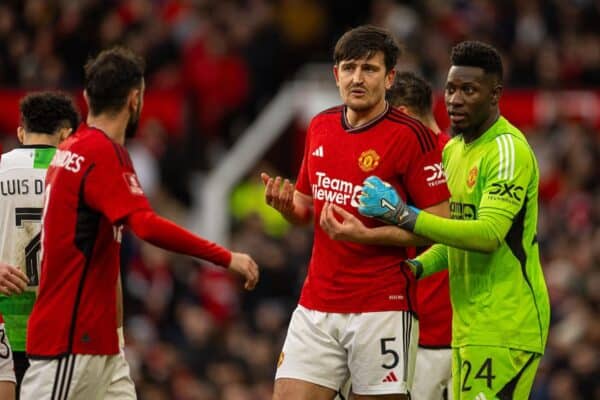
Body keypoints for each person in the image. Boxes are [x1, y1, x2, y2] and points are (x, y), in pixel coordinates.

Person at [22, 47, 259, 399]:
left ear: (87, 96)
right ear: (136, 99)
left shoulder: (75, 147)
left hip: (100, 344)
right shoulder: (100, 153)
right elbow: (145, 225)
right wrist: (225, 257)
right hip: (71, 341)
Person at [262, 25, 450, 400]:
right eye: (349, 68)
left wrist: (367, 235)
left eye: (369, 69)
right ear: (336, 75)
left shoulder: (414, 137)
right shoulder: (320, 126)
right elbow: (305, 206)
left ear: (389, 76)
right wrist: (288, 208)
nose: (357, 78)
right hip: (316, 304)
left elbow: (441, 226)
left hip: (382, 306)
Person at [357, 41, 550, 399]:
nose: (455, 99)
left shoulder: (507, 149)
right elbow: (455, 240)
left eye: (469, 90)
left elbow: (488, 235)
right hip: (467, 329)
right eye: (451, 89)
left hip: (505, 328)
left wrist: (404, 215)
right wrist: (412, 270)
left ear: (495, 95)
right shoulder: (453, 150)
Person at [0, 92, 79, 399]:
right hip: (58, 333)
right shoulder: (79, 178)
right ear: (67, 133)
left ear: (22, 132)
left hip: (5, 323)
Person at [387, 72, 453, 400]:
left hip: (425, 331)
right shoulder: (465, 157)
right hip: (471, 331)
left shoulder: (412, 167)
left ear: (407, 115)